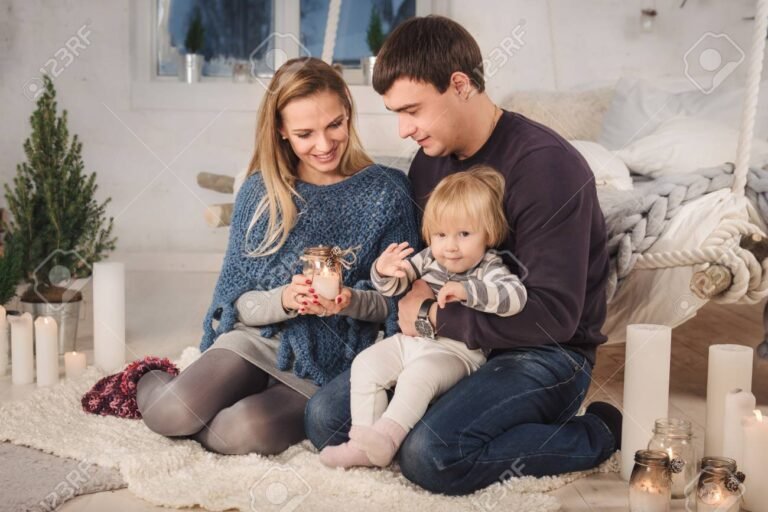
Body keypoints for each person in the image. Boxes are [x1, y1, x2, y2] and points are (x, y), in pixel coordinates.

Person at [305, 16, 621, 495]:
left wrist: (433, 318)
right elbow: (422, 270)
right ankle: (456, 416)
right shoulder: (430, 161)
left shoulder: (546, 167)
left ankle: (598, 431)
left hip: (544, 354)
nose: (404, 129)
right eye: (396, 113)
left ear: (460, 85)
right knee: (325, 419)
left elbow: (555, 318)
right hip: (449, 348)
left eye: (412, 110)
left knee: (431, 455)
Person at [136, 57, 420, 456]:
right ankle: (149, 377)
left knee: (238, 432)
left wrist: (348, 301)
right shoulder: (260, 192)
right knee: (169, 414)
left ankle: (219, 401)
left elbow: (397, 306)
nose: (324, 145)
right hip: (256, 342)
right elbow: (238, 303)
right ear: (281, 130)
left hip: (329, 363)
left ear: (348, 111)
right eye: (305, 133)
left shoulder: (387, 192)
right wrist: (284, 299)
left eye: (335, 125)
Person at [320, 166, 527, 469]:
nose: (450, 246)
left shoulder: (489, 266)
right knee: (366, 363)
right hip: (411, 341)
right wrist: (384, 271)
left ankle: (388, 438)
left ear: (489, 233)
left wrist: (468, 291)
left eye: (464, 234)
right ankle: (362, 443)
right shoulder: (430, 257)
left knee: (417, 376)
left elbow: (515, 297)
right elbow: (396, 287)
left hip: (457, 353)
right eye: (441, 234)